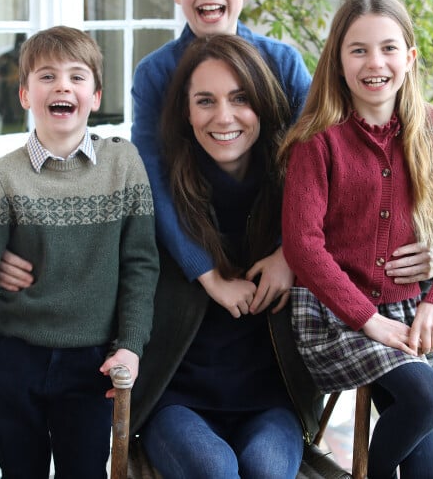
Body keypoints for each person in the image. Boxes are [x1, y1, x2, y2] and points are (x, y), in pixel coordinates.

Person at [0, 0, 433, 307]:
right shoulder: (155, 74)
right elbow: (151, 181)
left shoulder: (283, 64)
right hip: (192, 256)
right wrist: (205, 272)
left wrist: (291, 255)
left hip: (279, 250)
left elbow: (332, 165)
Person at [0, 26, 159, 479]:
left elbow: (140, 265)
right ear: (24, 94)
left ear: (95, 97)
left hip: (94, 362)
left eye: (77, 77)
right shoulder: (1, 179)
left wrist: (131, 346)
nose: (63, 86)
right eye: (47, 76)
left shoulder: (124, 165)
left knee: (84, 470)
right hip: (16, 358)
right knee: (20, 470)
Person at [280, 0, 433, 478]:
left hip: (404, 311)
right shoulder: (318, 140)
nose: (376, 62)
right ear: (338, 60)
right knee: (426, 393)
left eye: (389, 48)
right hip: (332, 316)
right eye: (359, 50)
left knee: (427, 462)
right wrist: (367, 317)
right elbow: (302, 244)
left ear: (409, 58)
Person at [132, 34, 310, 478]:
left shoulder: (296, 198)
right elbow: (91, 247)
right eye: (205, 101)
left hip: (270, 400)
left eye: (240, 99)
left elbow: (362, 227)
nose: (224, 116)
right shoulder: (162, 198)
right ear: (186, 113)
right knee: (215, 471)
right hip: (178, 401)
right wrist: (14, 256)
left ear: (264, 105)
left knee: (266, 472)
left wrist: (425, 258)